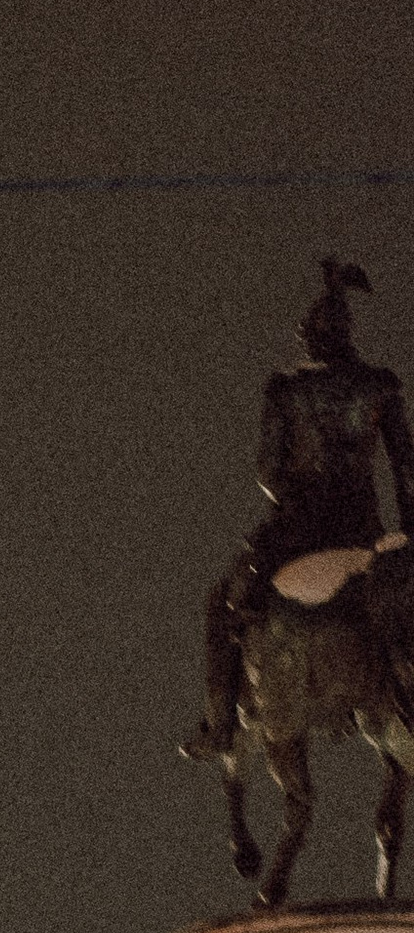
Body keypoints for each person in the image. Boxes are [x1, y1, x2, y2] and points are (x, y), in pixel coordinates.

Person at [184, 256, 414, 759]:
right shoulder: (381, 385)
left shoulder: (285, 389)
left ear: (312, 337)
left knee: (224, 601)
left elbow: (268, 474)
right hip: (363, 531)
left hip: (298, 531)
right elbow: (406, 472)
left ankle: (220, 725)